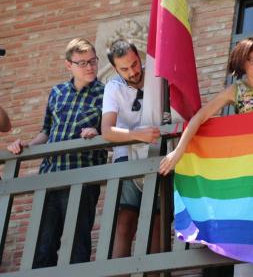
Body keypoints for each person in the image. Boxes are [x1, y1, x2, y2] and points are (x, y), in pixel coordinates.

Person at [159, 37, 253, 277]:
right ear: (242, 63)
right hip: (248, 174)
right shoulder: (235, 90)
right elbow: (199, 118)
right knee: (245, 237)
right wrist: (178, 151)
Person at [7, 38, 106, 267]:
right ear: (68, 65)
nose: (90, 66)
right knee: (43, 247)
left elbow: (111, 131)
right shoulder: (58, 92)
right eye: (82, 63)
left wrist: (98, 132)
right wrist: (25, 147)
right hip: (50, 176)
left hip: (83, 177)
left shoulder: (106, 92)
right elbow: (47, 131)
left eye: (93, 61)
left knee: (77, 248)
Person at [101, 39, 162, 258]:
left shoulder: (158, 78)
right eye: (124, 69)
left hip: (159, 155)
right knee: (125, 221)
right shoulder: (113, 87)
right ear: (116, 69)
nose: (132, 71)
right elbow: (107, 130)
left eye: (135, 64)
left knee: (158, 221)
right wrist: (137, 135)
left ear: (140, 57)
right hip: (126, 156)